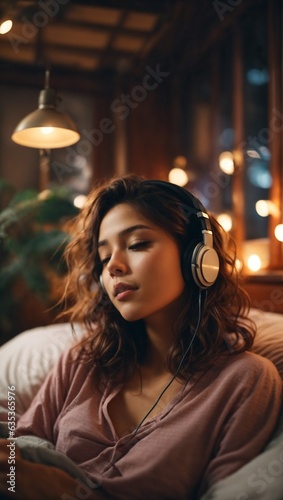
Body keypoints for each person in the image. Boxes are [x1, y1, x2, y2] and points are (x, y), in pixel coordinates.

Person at [0, 175, 282, 499]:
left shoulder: (246, 380)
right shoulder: (82, 361)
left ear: (198, 258)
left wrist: (63, 489)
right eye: (104, 259)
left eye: (137, 244)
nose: (114, 267)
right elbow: (17, 453)